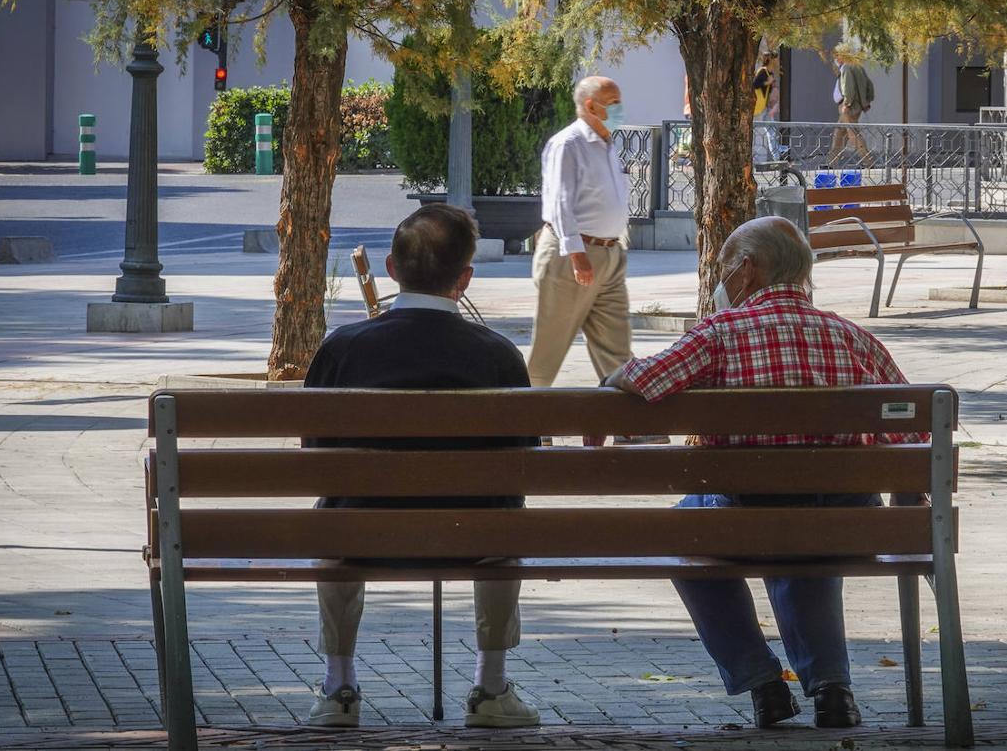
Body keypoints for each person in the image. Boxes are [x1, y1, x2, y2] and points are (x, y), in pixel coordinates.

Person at [599, 216, 921, 730]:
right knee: (803, 522)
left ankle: (762, 683)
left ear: (746, 270)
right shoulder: (853, 338)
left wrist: (611, 374)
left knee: (685, 532)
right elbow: (913, 443)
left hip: (746, 519)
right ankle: (833, 691)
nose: (722, 278)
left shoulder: (719, 334)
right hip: (846, 526)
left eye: (726, 267)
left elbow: (644, 379)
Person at [303, 204, 540, 729]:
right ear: (465, 277)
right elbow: (522, 463)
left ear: (391, 268)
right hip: (475, 537)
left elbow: (315, 455)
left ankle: (339, 689)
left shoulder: (343, 349)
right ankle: (492, 689)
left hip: (361, 532)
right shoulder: (499, 355)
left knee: (332, 509)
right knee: (507, 515)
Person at [530, 75, 667, 444]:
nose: (619, 108)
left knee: (615, 345)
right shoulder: (568, 144)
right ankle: (524, 426)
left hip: (608, 253)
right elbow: (559, 202)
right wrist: (577, 254)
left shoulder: (607, 145)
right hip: (572, 255)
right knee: (550, 347)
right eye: (612, 100)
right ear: (590, 106)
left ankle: (630, 427)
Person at [827, 43, 875, 167]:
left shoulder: (847, 67)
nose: (836, 58)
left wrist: (846, 104)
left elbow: (849, 87)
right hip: (852, 106)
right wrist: (866, 102)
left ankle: (869, 162)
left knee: (853, 134)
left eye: (837, 55)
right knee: (839, 134)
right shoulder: (857, 66)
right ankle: (831, 163)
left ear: (843, 55)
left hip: (848, 107)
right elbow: (870, 86)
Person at [752, 51, 781, 162]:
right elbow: (754, 84)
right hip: (756, 109)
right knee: (755, 134)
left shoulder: (771, 74)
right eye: (776, 59)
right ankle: (755, 161)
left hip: (764, 108)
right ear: (771, 60)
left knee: (772, 132)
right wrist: (766, 83)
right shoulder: (762, 72)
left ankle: (777, 159)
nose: (778, 62)